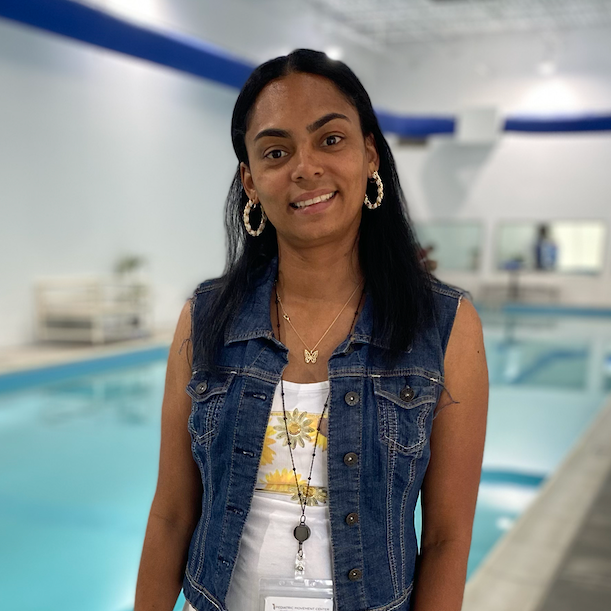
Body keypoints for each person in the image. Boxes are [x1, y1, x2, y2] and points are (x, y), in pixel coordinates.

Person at [134, 49, 488, 611]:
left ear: (369, 154)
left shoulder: (443, 325)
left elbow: (447, 539)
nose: (305, 167)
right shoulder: (205, 318)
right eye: (276, 152)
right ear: (250, 181)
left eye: (330, 139)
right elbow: (173, 515)